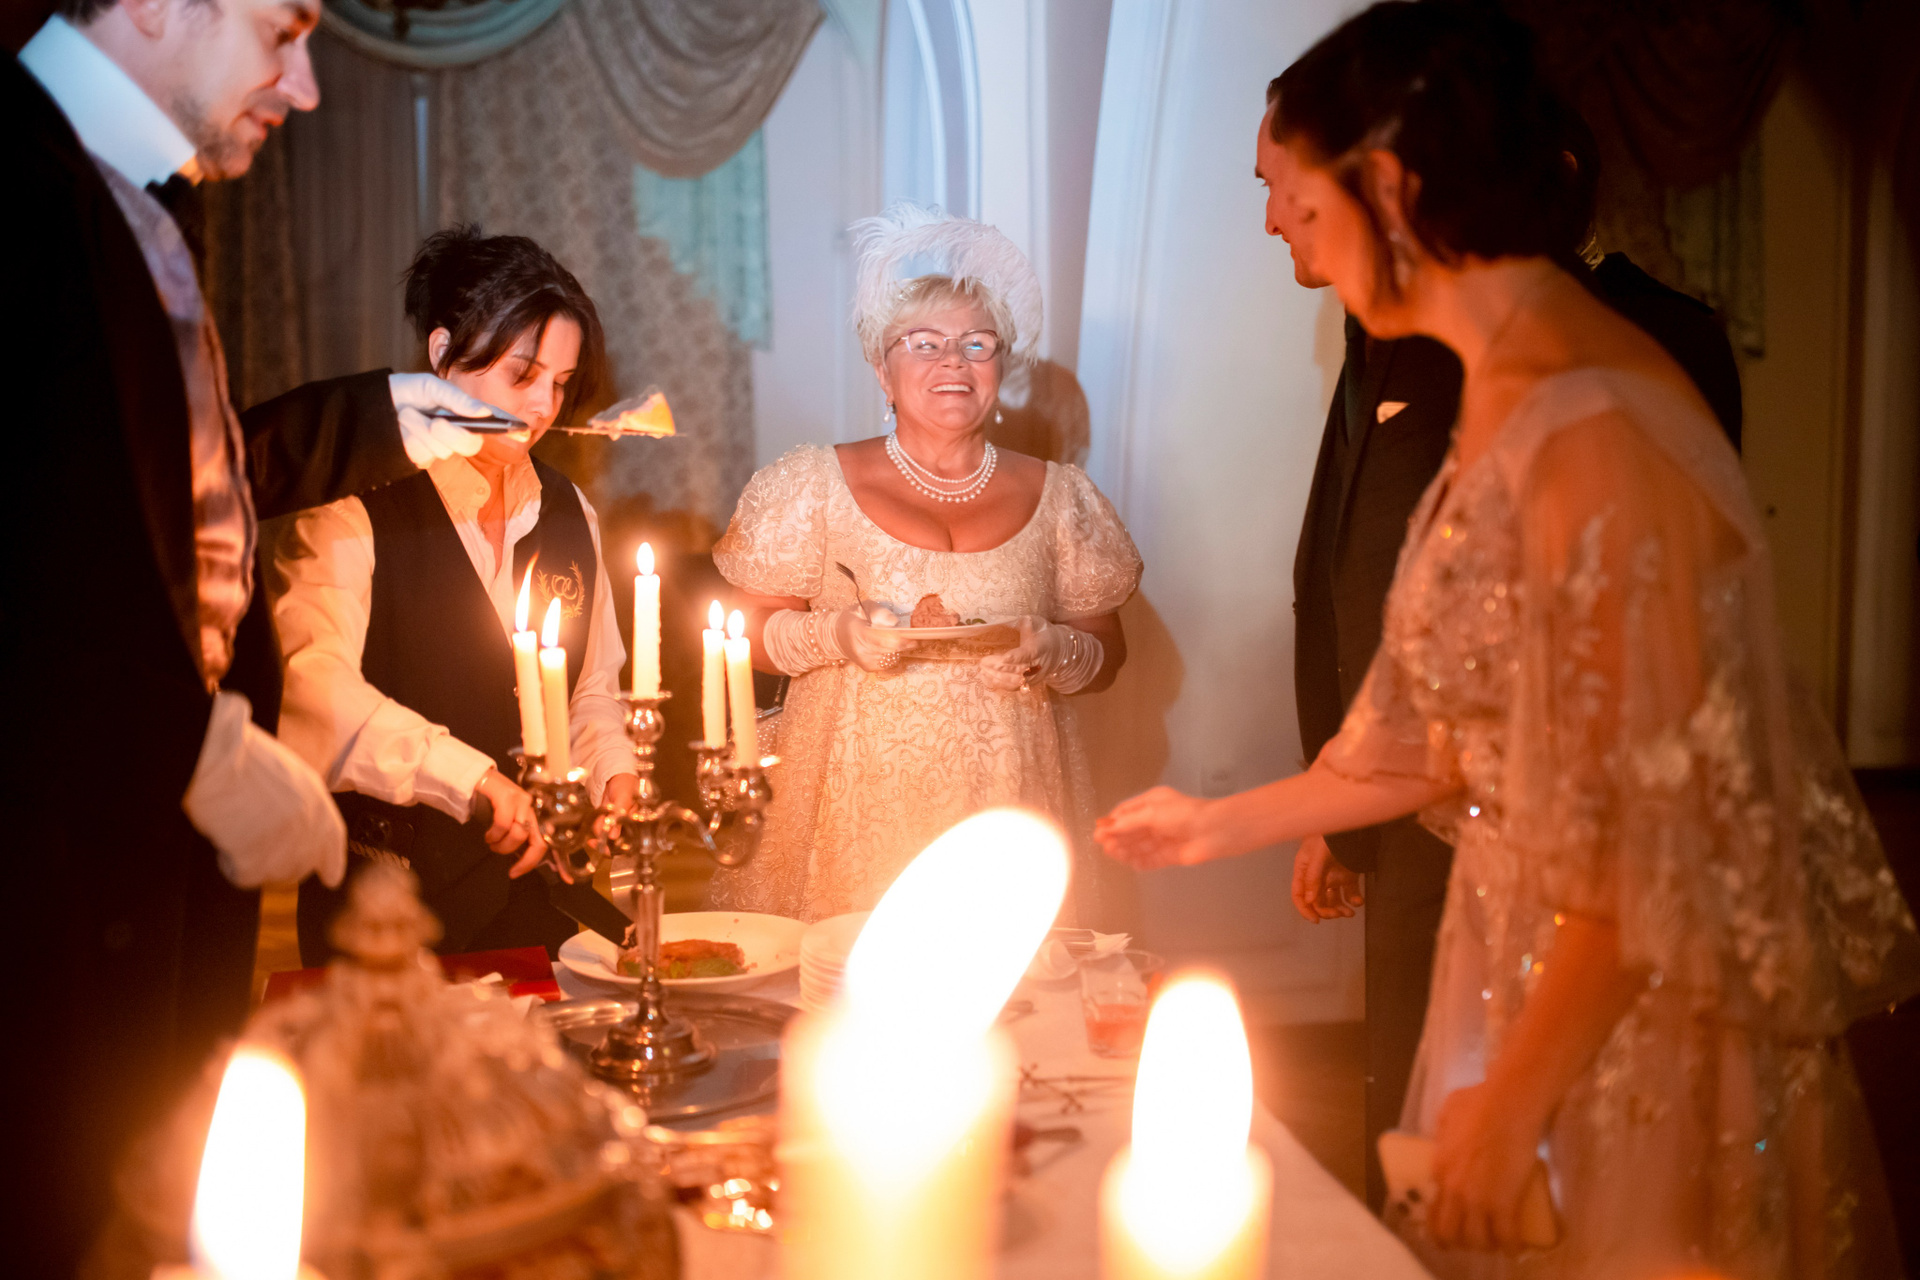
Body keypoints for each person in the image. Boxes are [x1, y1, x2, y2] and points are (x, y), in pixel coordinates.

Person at [1099, 5, 1917, 1275]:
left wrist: (1520, 1098)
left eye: (1296, 201)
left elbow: (1651, 840)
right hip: (1511, 946)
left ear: (1389, 190)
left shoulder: (1590, 421)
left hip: (1609, 998)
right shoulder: (1504, 380)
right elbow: (1451, 729)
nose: (1274, 228)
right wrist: (1217, 824)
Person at [7, 3, 499, 1269]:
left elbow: (160, 483)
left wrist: (382, 419)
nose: (308, 85)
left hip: (158, 852)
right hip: (53, 871)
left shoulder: (140, 196)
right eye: (284, 30)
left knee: (159, 1201)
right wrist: (193, 743)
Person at [1265, 89, 1749, 1213]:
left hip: (1565, 828)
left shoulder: (1634, 348)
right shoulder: (1396, 338)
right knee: (1419, 1137)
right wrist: (1325, 795)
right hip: (1414, 809)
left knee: (1553, 1157)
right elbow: (1350, 571)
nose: (1280, 217)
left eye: (1297, 189)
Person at [708, 205, 1142, 922]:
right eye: (924, 344)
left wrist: (1055, 650)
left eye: (978, 343)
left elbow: (1108, 652)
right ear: (883, 370)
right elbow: (745, 628)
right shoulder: (812, 483)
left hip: (1006, 794)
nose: (954, 362)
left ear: (1000, 366)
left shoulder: (1062, 496)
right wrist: (835, 635)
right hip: (853, 796)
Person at [273, 227, 641, 963]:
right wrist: (469, 780)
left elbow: (591, 690)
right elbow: (310, 690)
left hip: (537, 903)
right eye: (522, 373)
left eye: (560, 382)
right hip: (387, 908)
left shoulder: (569, 512)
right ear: (442, 352)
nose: (542, 406)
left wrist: (615, 772)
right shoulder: (353, 503)